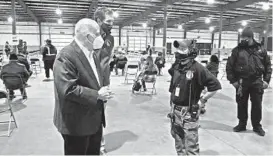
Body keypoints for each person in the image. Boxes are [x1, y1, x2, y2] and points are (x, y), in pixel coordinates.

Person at [53, 18, 112, 155]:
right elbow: (67, 89)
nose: (101, 37)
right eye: (98, 34)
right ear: (89, 37)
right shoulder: (66, 56)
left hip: (93, 120)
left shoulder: (92, 54)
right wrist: (97, 95)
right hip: (76, 124)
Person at [168, 40, 221, 155]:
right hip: (175, 111)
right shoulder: (176, 67)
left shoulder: (198, 68)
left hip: (188, 113)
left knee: (191, 148)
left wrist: (202, 100)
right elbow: (173, 89)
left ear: (191, 52)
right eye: (179, 50)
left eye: (182, 50)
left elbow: (215, 85)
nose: (179, 53)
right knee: (179, 146)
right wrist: (171, 108)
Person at [226, 27, 272, 136]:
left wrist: (266, 80)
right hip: (241, 82)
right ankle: (242, 124)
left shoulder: (260, 49)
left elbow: (268, 66)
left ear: (251, 37)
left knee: (257, 104)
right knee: (241, 104)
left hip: (257, 81)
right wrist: (233, 81)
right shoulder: (237, 50)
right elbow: (229, 66)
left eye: (245, 38)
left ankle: (257, 126)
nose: (243, 40)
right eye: (242, 38)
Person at [94, 7, 115, 155]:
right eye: (108, 22)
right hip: (90, 82)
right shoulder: (90, 36)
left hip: (104, 83)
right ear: (98, 21)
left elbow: (106, 62)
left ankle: (99, 147)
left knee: (99, 115)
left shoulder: (110, 39)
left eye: (113, 22)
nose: (111, 24)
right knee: (90, 115)